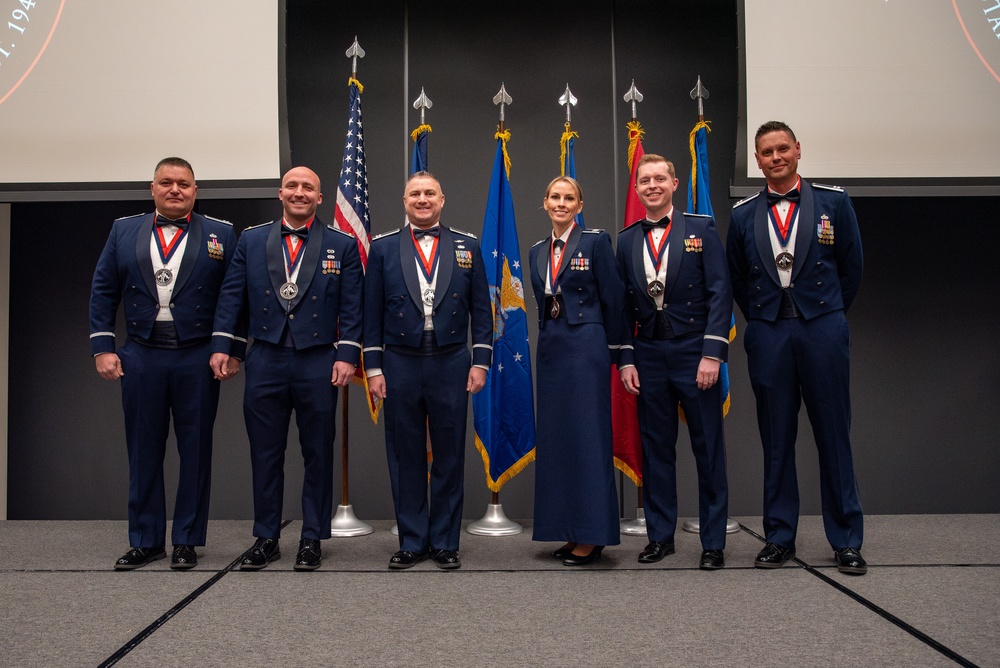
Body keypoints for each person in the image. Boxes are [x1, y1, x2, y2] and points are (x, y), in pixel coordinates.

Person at [727, 120, 867, 575]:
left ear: (798, 150)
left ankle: (846, 540)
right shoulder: (743, 214)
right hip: (768, 333)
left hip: (822, 329)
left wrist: (820, 313)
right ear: (757, 159)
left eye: (782, 148)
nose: (775, 157)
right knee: (776, 439)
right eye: (766, 152)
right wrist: (768, 318)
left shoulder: (833, 202)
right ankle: (779, 537)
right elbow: (738, 280)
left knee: (834, 437)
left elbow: (852, 268)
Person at [210, 166, 363, 571]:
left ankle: (312, 537)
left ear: (319, 197)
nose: (299, 192)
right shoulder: (252, 239)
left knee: (317, 453)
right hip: (266, 359)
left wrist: (347, 354)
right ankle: (266, 537)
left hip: (318, 361)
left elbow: (352, 306)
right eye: (292, 186)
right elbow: (232, 297)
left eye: (308, 187)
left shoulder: (342, 244)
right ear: (281, 193)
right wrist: (227, 347)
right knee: (265, 453)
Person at [89, 157, 239, 570]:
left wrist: (229, 347)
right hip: (140, 353)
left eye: (184, 184)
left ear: (196, 190)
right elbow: (103, 290)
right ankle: (145, 540)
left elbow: (233, 296)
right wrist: (103, 347)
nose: (175, 189)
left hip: (197, 355)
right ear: (152, 188)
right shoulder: (123, 230)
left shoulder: (221, 233)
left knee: (195, 450)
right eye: (166, 182)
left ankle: (186, 541)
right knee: (143, 449)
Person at [363, 171, 492, 571]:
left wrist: (481, 360)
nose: (422, 199)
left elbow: (482, 312)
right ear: (404, 201)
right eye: (415, 194)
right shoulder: (382, 248)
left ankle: (445, 542)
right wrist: (373, 367)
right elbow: (370, 313)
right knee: (406, 456)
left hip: (451, 361)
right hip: (399, 362)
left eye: (429, 193)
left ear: (442, 199)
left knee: (450, 455)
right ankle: (413, 541)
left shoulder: (466, 246)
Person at [616, 155, 732, 570]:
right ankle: (660, 537)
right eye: (644, 180)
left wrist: (712, 354)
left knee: (708, 450)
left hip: (694, 353)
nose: (651, 185)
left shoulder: (701, 228)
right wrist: (626, 359)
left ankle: (713, 542)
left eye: (659, 179)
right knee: (657, 450)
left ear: (674, 183)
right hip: (648, 356)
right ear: (637, 188)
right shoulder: (627, 239)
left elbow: (721, 293)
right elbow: (621, 307)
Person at [528, 176, 624, 566]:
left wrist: (622, 354)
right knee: (558, 440)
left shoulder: (596, 242)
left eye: (569, 198)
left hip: (586, 346)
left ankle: (593, 534)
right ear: (545, 203)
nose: (561, 203)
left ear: (579, 205)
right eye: (555, 197)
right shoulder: (537, 250)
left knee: (588, 438)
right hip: (551, 348)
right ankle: (568, 529)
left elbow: (615, 300)